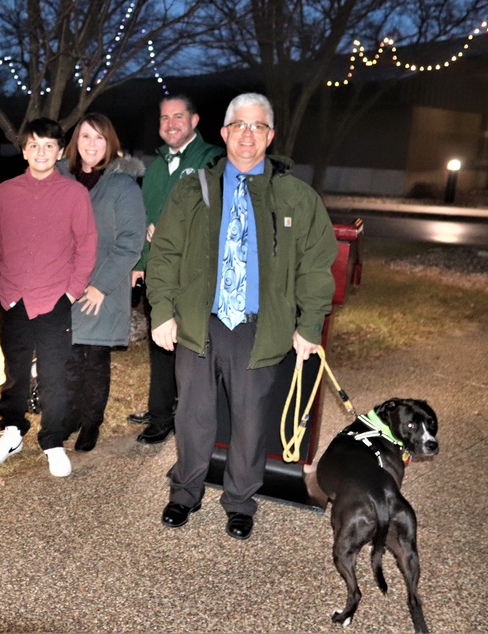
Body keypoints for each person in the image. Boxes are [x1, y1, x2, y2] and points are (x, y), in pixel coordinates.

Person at [147, 93, 337, 539]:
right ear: (224, 132)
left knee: (251, 420)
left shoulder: (295, 196)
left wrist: (309, 324)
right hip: (199, 322)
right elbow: (165, 254)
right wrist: (162, 312)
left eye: (257, 126)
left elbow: (315, 263)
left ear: (270, 135)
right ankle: (185, 493)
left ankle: (239, 501)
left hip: (258, 326)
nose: (247, 134)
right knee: (192, 415)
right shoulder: (193, 188)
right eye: (239, 125)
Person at [0, 118, 97, 478]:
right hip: (12, 297)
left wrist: (71, 291)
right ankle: (12, 431)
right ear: (24, 150)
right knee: (14, 370)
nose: (41, 152)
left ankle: (53, 440)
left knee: (53, 375)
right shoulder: (7, 191)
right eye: (34, 145)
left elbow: (87, 245)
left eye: (49, 146)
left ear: (60, 151)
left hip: (53, 299)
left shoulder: (74, 194)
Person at [131, 95, 223, 445]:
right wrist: (140, 264)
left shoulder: (211, 159)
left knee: (195, 348)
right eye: (164, 117)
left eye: (178, 116)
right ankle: (160, 413)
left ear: (195, 120)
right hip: (160, 272)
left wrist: (174, 232)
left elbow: (215, 213)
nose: (170, 123)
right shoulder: (155, 167)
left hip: (196, 275)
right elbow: (145, 219)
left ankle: (192, 416)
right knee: (160, 345)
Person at [58, 114, 146, 452]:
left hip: (101, 287)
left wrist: (100, 286)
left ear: (109, 143)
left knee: (94, 358)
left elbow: (130, 241)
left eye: (98, 138)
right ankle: (69, 417)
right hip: (63, 286)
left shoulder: (122, 185)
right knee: (67, 357)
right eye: (84, 137)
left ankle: (91, 422)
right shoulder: (61, 179)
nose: (91, 144)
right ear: (74, 143)